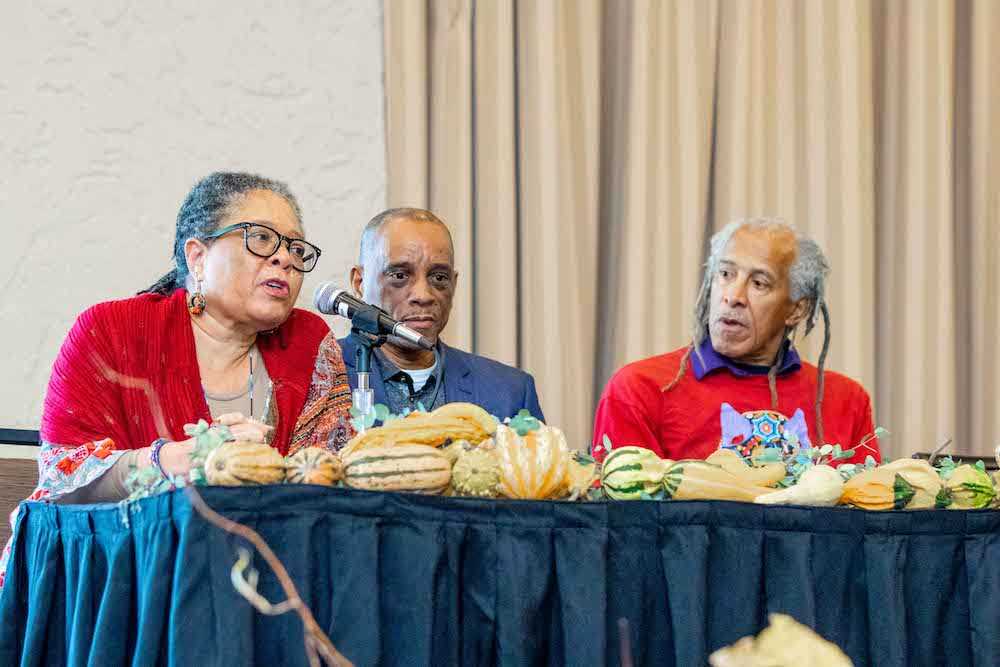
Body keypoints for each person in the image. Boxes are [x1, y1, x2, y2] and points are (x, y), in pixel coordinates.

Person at [18, 172, 354, 509]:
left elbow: (332, 482)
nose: (284, 259)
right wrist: (175, 460)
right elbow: (62, 482)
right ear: (198, 258)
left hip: (280, 551)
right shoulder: (110, 331)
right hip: (132, 553)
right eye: (261, 238)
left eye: (295, 248)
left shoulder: (309, 343)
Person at [592, 217, 881, 464]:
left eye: (759, 283)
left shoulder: (848, 402)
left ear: (796, 309)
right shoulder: (639, 390)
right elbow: (625, 524)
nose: (733, 296)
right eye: (725, 274)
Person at [338, 208, 544, 426]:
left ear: (453, 284)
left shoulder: (510, 391)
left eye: (438, 277)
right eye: (399, 275)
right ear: (359, 283)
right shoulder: (320, 376)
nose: (423, 295)